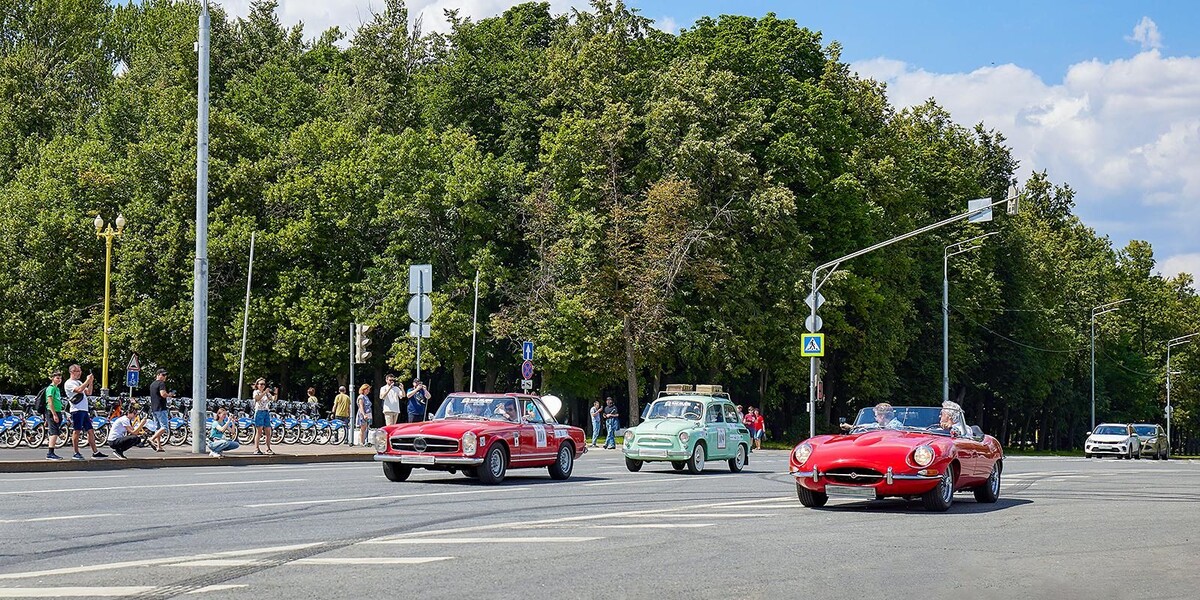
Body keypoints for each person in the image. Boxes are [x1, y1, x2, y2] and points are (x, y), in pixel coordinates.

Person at [65, 364, 105, 460]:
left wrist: (90, 382)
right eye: (78, 371)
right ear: (72, 372)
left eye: (80, 371)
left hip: (84, 410)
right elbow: (79, 390)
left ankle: (95, 452)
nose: (80, 373)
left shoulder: (78, 382)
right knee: (77, 431)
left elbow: (88, 392)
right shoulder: (69, 383)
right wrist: (87, 381)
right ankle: (76, 452)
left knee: (90, 430)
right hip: (76, 410)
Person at [147, 368, 172, 452]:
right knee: (165, 427)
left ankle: (159, 446)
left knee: (158, 428)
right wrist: (169, 395)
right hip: (161, 408)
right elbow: (163, 394)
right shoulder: (161, 383)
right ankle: (152, 439)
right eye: (163, 375)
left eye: (165, 375)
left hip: (154, 408)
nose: (165, 377)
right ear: (158, 375)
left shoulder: (152, 384)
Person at [44, 371, 65, 460]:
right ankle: (50, 453)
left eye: (60, 378)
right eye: (57, 378)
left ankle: (51, 452)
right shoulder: (51, 388)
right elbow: (50, 401)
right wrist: (54, 414)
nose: (59, 380)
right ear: (52, 378)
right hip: (52, 411)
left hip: (57, 411)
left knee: (55, 431)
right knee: (54, 432)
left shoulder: (57, 389)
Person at [252, 378, 276, 455]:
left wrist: (275, 393)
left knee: (268, 431)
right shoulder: (256, 392)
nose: (262, 385)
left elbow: (273, 399)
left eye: (264, 384)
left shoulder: (266, 393)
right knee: (259, 431)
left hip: (266, 411)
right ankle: (256, 448)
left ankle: (268, 448)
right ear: (257, 385)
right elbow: (257, 398)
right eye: (261, 384)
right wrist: (264, 392)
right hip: (259, 412)